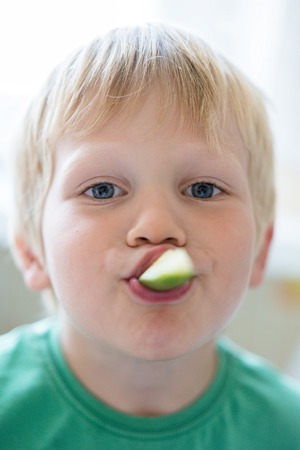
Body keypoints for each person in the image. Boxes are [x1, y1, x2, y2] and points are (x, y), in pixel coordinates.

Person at [1, 23, 300, 449]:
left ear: (260, 249)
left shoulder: (287, 430)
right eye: (102, 190)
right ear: (32, 252)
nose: (158, 227)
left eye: (203, 189)